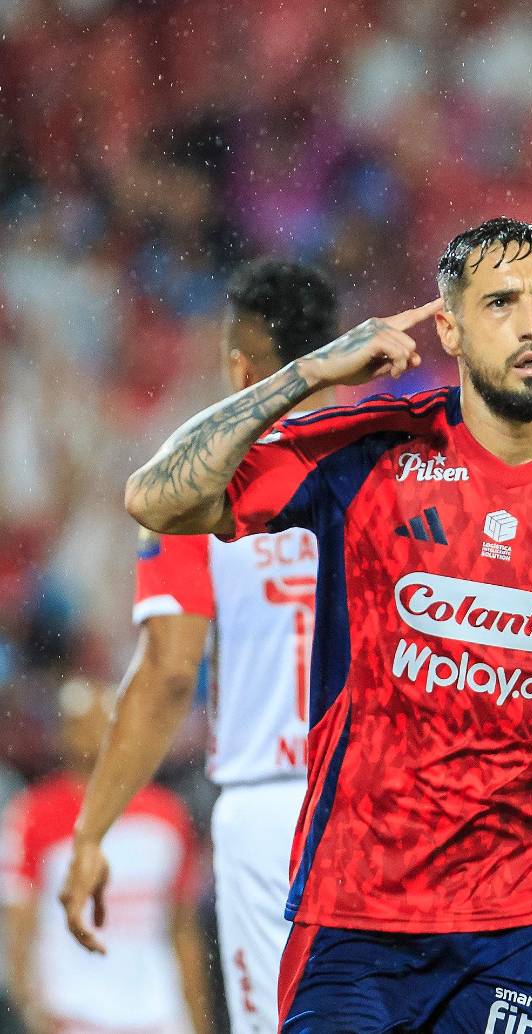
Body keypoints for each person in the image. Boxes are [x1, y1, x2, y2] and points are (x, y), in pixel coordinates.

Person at [123, 216, 532, 1034]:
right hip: (352, 916)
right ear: (450, 331)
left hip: (529, 916)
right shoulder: (372, 452)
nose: (530, 323)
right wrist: (306, 373)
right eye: (500, 303)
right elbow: (157, 499)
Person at [58, 258, 340, 1034]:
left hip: (272, 806)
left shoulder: (199, 487)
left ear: (239, 365)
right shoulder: (395, 464)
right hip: (390, 801)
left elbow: (169, 671)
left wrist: (91, 832)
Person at [1, 678, 210, 1034]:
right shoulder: (32, 815)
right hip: (73, 1014)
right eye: (83, 721)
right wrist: (32, 1008)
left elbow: (182, 928)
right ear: (63, 733)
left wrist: (197, 1016)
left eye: (108, 717)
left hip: (158, 1012)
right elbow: (20, 924)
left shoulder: (167, 814)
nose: (97, 731)